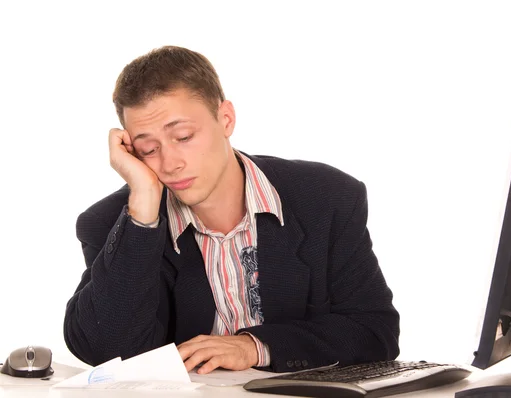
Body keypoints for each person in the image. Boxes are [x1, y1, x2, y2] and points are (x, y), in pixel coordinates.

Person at [64, 45, 400, 375]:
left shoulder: (327, 198)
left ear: (225, 119)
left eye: (183, 137)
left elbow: (373, 332)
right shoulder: (114, 224)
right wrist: (142, 215)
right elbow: (108, 353)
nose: (170, 164)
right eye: (148, 148)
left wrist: (255, 347)